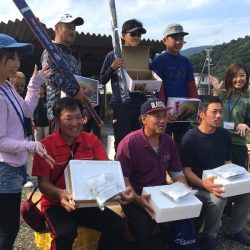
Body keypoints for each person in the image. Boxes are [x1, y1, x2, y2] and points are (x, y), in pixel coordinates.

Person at [32, 97, 134, 250]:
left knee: (117, 226)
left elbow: (106, 171)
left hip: (87, 201)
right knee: (65, 233)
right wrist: (60, 194)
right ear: (57, 120)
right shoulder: (44, 146)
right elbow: (43, 184)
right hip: (56, 203)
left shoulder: (91, 140)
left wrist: (121, 188)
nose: (75, 123)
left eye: (79, 117)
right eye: (69, 118)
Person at [0, 33, 54, 250]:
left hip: (12, 167)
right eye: (11, 57)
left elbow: (26, 110)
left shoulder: (7, 86)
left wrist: (35, 83)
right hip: (4, 169)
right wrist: (31, 145)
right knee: (8, 229)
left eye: (18, 58)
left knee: (7, 228)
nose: (17, 63)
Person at [116, 98, 188, 250]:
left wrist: (186, 192)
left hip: (162, 194)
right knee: (144, 224)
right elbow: (123, 179)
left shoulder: (169, 142)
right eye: (157, 116)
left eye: (164, 116)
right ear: (143, 119)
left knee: (193, 211)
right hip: (135, 196)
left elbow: (176, 172)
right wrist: (137, 199)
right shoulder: (129, 143)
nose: (162, 121)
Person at [180, 96, 250, 250]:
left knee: (246, 193)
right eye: (214, 112)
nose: (218, 116)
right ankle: (209, 235)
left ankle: (234, 230)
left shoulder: (224, 135)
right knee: (218, 198)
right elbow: (186, 170)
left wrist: (237, 179)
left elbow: (227, 163)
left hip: (220, 182)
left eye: (220, 112)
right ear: (202, 114)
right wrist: (203, 183)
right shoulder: (190, 138)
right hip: (198, 186)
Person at [100, 19, 148, 151]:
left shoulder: (145, 56)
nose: (137, 37)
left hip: (140, 105)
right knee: (122, 142)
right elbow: (102, 80)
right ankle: (121, 169)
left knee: (141, 142)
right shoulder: (113, 56)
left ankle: (139, 170)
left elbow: (148, 82)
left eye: (139, 34)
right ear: (122, 36)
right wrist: (112, 68)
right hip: (121, 106)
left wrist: (147, 89)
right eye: (133, 34)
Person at [151, 23, 198, 145]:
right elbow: (158, 88)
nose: (178, 42)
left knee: (183, 143)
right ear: (165, 40)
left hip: (183, 110)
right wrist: (162, 109)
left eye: (181, 39)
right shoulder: (159, 60)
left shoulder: (186, 62)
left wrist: (195, 107)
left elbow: (191, 86)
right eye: (175, 39)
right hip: (165, 110)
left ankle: (181, 165)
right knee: (163, 142)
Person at [41, 13, 89, 133]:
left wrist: (87, 100)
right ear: (57, 28)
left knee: (76, 151)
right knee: (59, 151)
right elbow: (51, 75)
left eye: (74, 28)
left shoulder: (71, 55)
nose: (72, 31)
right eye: (68, 27)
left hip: (75, 114)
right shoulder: (50, 51)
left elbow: (78, 82)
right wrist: (77, 91)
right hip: (60, 115)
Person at [210, 63, 250, 169]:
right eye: (234, 76)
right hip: (218, 140)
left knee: (239, 178)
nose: (238, 79)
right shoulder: (223, 95)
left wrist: (245, 124)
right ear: (229, 78)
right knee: (218, 176)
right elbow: (211, 111)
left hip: (238, 143)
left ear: (246, 77)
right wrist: (216, 90)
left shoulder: (248, 99)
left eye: (242, 75)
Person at [10, 71, 35, 188]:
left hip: (26, 130)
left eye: (22, 85)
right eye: (17, 85)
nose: (20, 88)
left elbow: (28, 114)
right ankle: (17, 176)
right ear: (11, 83)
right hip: (15, 133)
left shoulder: (24, 98)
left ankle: (25, 177)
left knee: (24, 156)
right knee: (14, 156)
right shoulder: (9, 98)